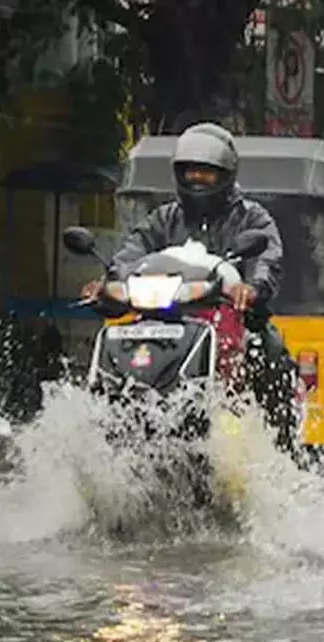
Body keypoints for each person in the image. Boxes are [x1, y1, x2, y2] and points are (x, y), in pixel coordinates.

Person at [90, 121, 297, 450]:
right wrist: (110, 281)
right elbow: (131, 253)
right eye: (190, 172)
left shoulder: (252, 218)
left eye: (207, 172)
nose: (197, 179)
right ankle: (100, 427)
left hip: (231, 317)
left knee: (268, 348)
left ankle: (280, 447)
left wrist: (253, 287)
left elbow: (268, 258)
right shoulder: (163, 219)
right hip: (160, 318)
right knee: (117, 340)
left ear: (226, 174)